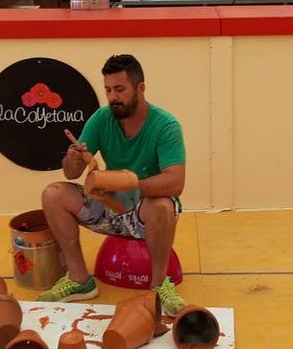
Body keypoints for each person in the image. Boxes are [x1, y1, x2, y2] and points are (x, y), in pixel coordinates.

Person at [37, 54, 187, 316]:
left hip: (144, 211)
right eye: (108, 90)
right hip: (110, 207)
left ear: (140, 88)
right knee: (53, 194)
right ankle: (79, 280)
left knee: (162, 205)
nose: (113, 97)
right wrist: (72, 157)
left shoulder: (166, 125)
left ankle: (159, 285)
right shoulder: (101, 118)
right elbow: (72, 173)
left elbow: (176, 182)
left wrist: (130, 186)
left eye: (120, 89)